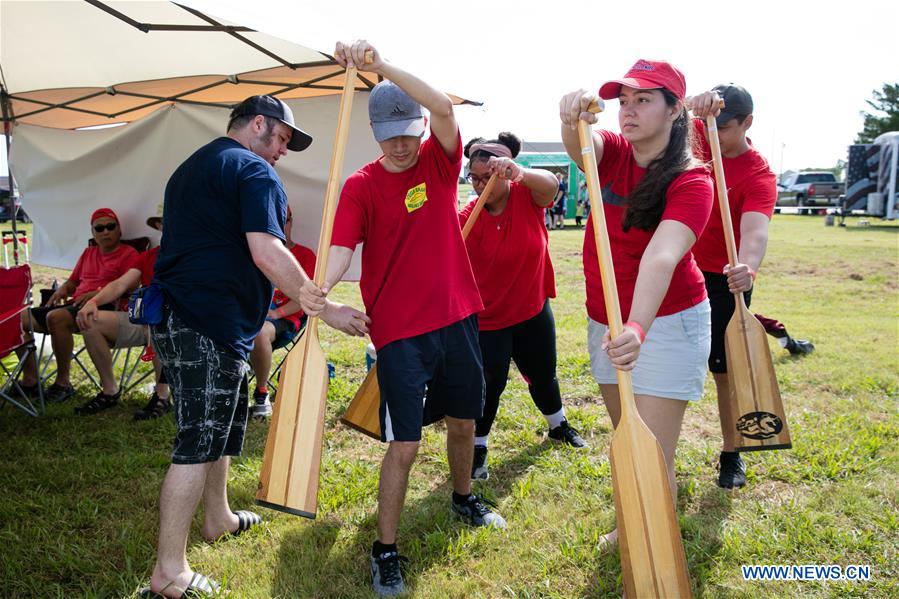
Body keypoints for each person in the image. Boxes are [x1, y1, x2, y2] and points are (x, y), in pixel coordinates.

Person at [141, 94, 367, 598]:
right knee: (197, 442)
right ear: (259, 125)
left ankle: (218, 516)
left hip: (187, 318)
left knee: (218, 426)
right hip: (206, 322)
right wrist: (323, 308)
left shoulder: (192, 166)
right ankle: (168, 572)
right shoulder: (254, 171)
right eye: (283, 139)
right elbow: (267, 248)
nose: (283, 151)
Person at [324, 40, 506, 597]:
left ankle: (462, 498)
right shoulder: (359, 185)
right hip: (400, 334)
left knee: (463, 421)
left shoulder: (438, 159)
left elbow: (448, 111)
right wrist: (323, 295)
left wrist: (382, 68)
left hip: (458, 317)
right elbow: (338, 250)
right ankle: (385, 550)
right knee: (404, 445)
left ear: (421, 126)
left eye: (409, 130)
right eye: (390, 135)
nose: (402, 144)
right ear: (375, 134)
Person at [559, 59, 714, 547]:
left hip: (665, 324)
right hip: (606, 320)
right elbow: (582, 148)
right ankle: (635, 525)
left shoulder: (693, 181)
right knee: (627, 432)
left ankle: (651, 543)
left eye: (643, 100)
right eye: (623, 101)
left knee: (651, 450)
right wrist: (571, 118)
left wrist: (638, 328)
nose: (628, 110)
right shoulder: (614, 152)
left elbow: (661, 257)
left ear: (674, 111)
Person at [691, 84, 812, 488]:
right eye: (710, 125)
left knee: (725, 370)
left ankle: (732, 452)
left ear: (747, 124)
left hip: (724, 276)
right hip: (677, 268)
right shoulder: (699, 133)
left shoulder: (759, 175)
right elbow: (666, 123)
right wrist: (694, 106)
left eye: (724, 128)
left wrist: (747, 267)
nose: (714, 135)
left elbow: (755, 233)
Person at [460, 132, 587, 482]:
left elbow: (551, 184)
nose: (481, 183)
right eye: (476, 177)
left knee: (543, 373)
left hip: (532, 309)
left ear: (506, 173)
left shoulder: (526, 197)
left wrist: (519, 173)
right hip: (488, 320)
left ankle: (558, 425)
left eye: (489, 175)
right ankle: (479, 445)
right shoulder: (467, 218)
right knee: (490, 383)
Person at [18, 208, 138, 404]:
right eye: (99, 228)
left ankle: (63, 383)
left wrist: (97, 294)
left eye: (110, 226)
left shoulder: (129, 253)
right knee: (18, 320)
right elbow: (73, 281)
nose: (105, 232)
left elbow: (130, 285)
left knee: (56, 318)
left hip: (104, 307)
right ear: (93, 233)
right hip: (75, 305)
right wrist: (63, 289)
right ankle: (30, 380)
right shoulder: (88, 253)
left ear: (119, 230)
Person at [75, 215, 169, 417]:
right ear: (160, 227)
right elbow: (120, 284)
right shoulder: (149, 256)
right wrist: (93, 302)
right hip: (145, 320)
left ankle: (162, 397)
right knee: (90, 319)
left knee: (159, 324)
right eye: (166, 221)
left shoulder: (194, 255)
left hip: (181, 325)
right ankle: (109, 391)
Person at [249, 206, 316, 418]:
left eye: (285, 221)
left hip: (286, 317)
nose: (281, 227)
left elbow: (308, 299)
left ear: (291, 222)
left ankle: (261, 394)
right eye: (276, 222)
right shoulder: (256, 253)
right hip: (253, 314)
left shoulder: (305, 255)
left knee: (259, 333)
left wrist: (277, 314)